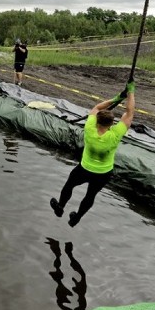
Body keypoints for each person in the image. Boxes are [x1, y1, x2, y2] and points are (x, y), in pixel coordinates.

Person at [50, 81, 136, 226]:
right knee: (90, 195)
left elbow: (97, 107)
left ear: (97, 121)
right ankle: (77, 218)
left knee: (69, 185)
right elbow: (130, 112)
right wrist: (131, 92)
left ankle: (60, 207)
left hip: (84, 169)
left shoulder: (89, 127)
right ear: (111, 123)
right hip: (103, 173)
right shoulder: (115, 134)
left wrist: (117, 98)